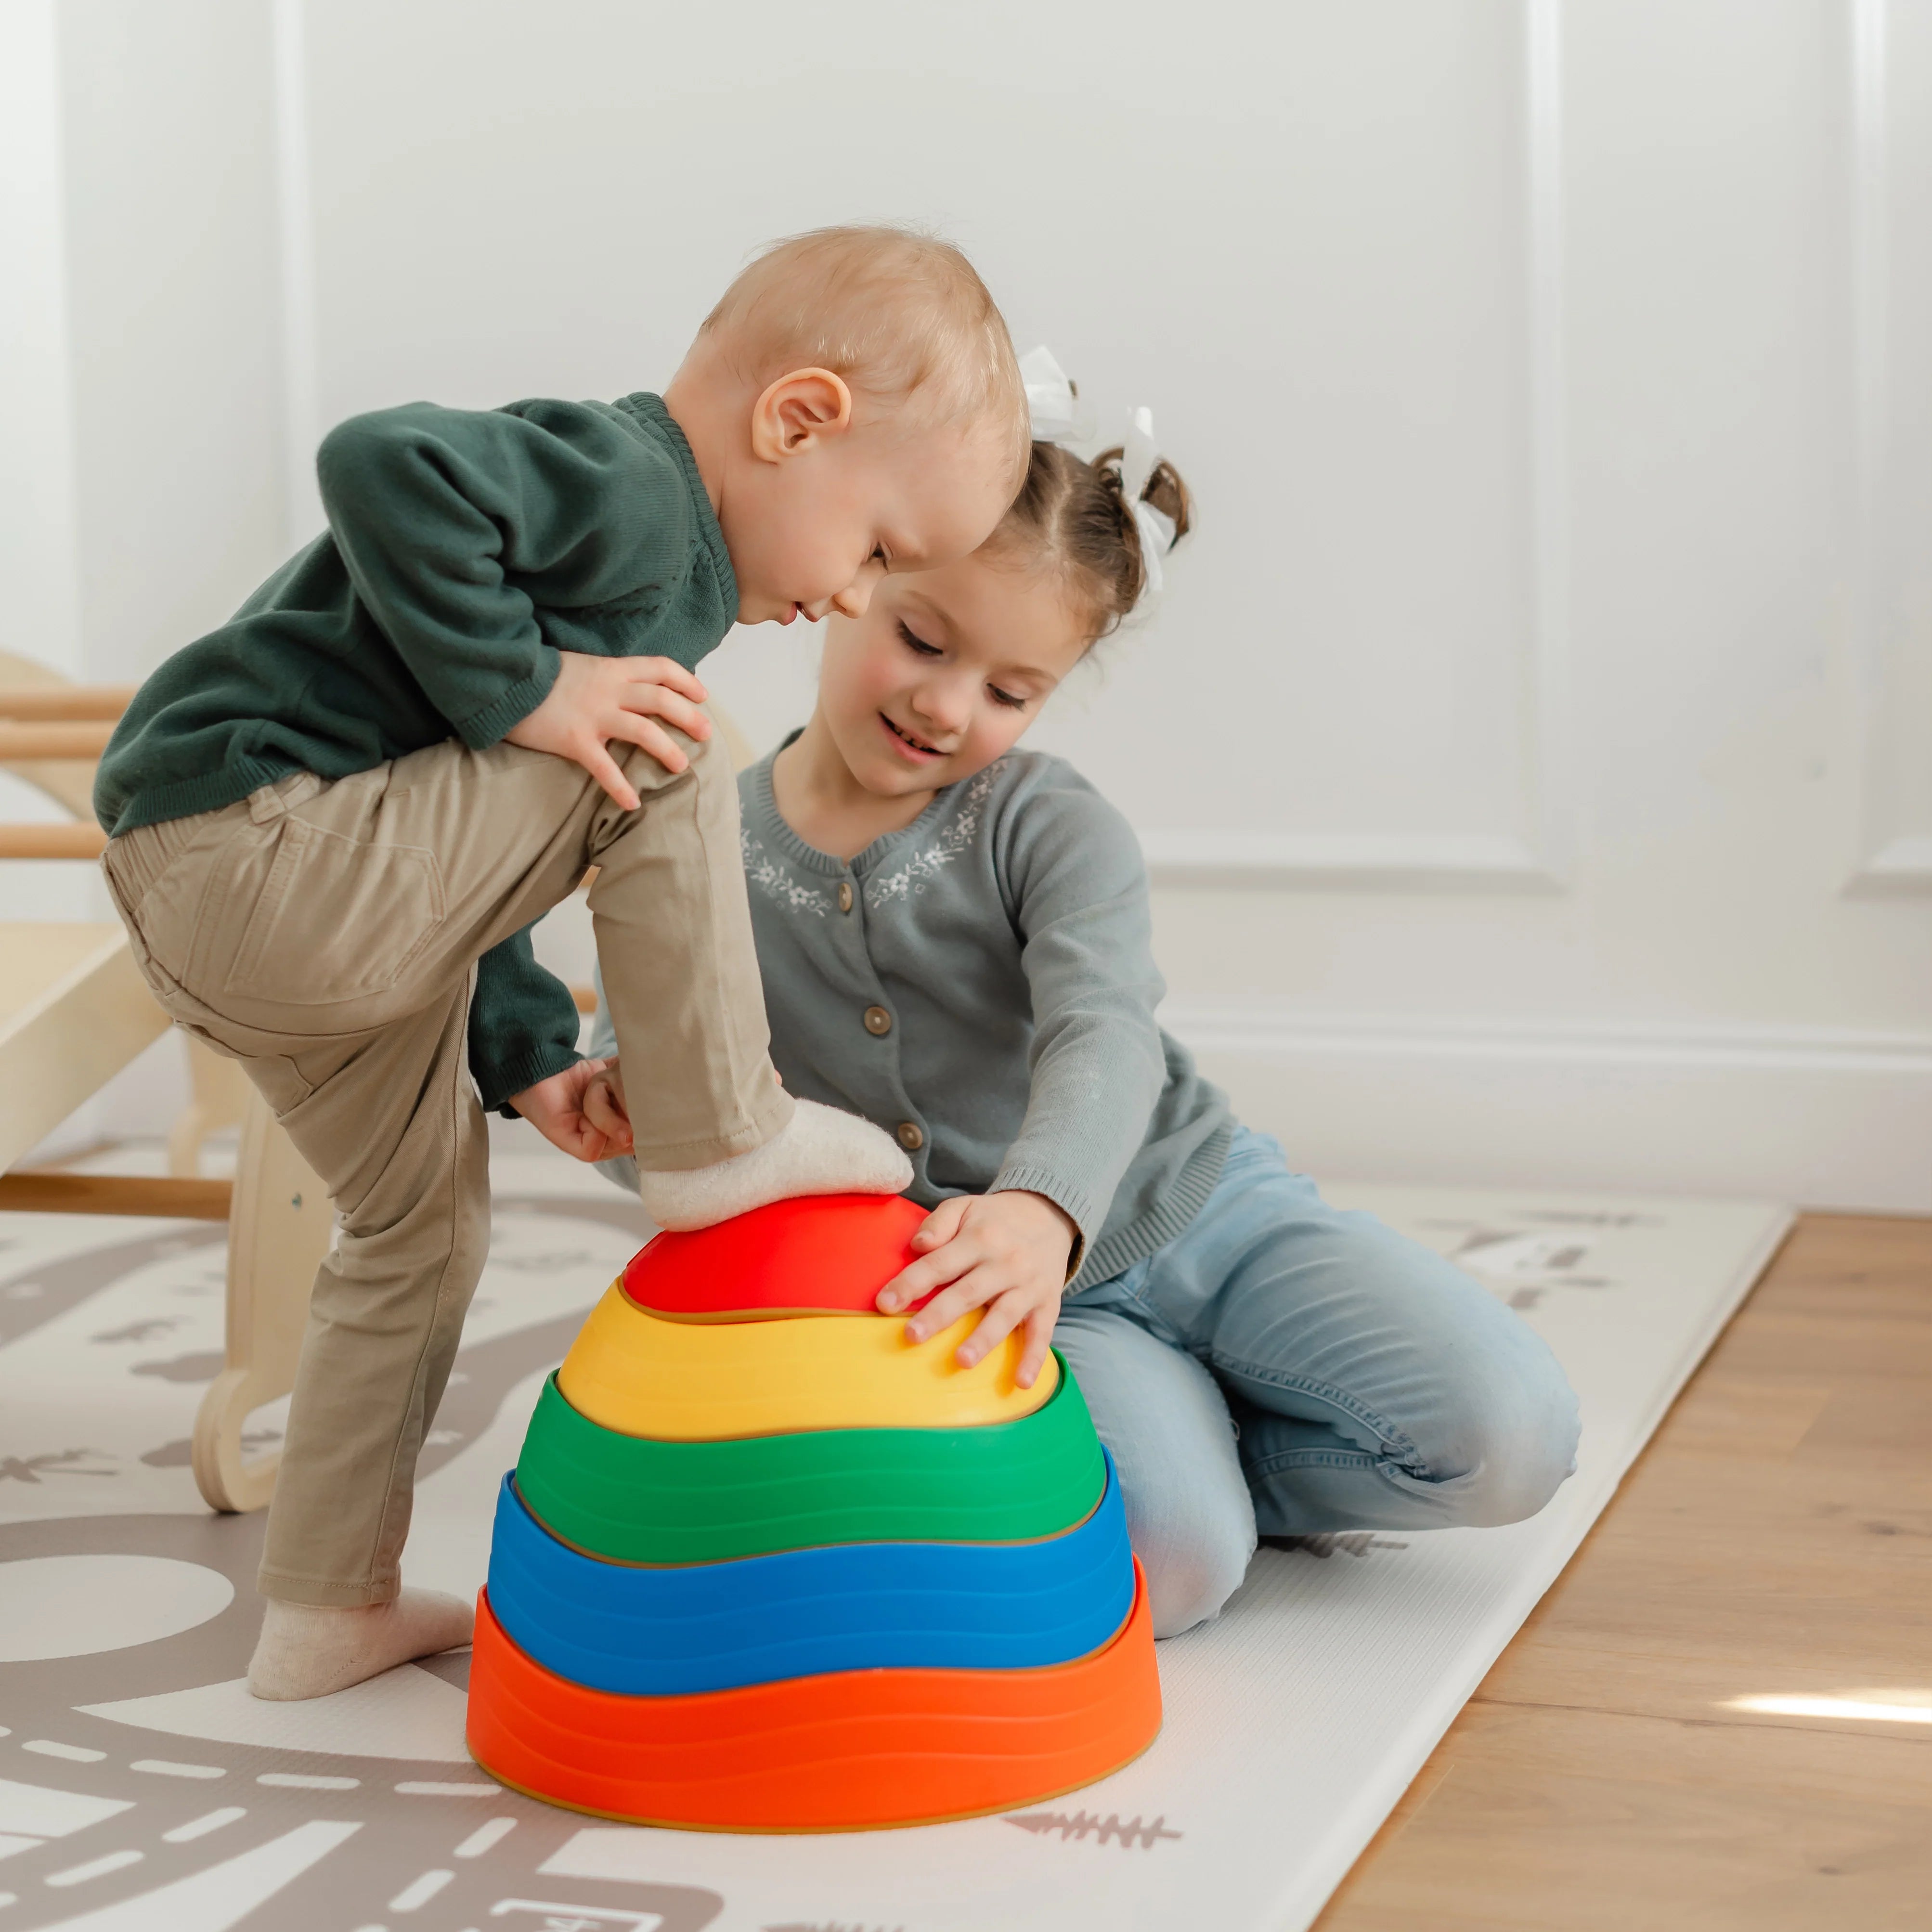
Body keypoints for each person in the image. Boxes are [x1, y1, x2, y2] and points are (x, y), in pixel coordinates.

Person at [93, 225, 1031, 1699]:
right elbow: (381, 458)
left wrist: (525, 1054)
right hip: (256, 840)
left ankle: (324, 1611)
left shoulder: (648, 594)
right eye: (878, 551)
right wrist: (534, 685)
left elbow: (472, 816)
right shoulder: (635, 488)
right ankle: (722, 1127)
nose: (854, 599)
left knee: (416, 1236)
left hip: (254, 896)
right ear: (796, 421)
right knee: (659, 743)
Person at [584, 373, 1581, 1638]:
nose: (949, 707)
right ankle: (1192, 1461)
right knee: (1166, 1565)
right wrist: (623, 1107)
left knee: (1514, 1441)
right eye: (925, 640)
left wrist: (1043, 1209)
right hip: (992, 1296)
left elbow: (1100, 1025)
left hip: (1191, 1208)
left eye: (1012, 690)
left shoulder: (1044, 822)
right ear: (857, 578)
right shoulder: (700, 846)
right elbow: (658, 1075)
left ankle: (1229, 1443)